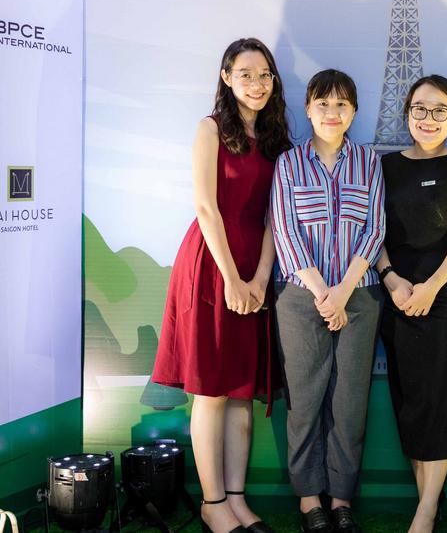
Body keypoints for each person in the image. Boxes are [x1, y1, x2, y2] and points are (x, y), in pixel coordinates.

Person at [152, 37, 292, 533]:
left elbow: (277, 217)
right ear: (227, 77)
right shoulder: (210, 129)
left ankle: (236, 499)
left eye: (264, 75)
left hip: (256, 266)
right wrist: (233, 278)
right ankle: (212, 504)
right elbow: (206, 208)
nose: (256, 84)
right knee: (211, 392)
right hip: (212, 264)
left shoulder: (278, 141)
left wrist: (259, 278)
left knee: (240, 393)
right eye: (245, 74)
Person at [270, 69, 386, 533]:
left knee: (349, 402)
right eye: (323, 103)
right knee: (304, 401)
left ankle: (340, 500)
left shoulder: (369, 163)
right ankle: (308, 500)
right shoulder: (288, 164)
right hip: (301, 298)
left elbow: (375, 228)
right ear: (308, 108)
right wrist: (324, 294)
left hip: (359, 296)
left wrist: (343, 292)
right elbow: (285, 232)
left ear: (354, 112)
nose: (331, 113)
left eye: (342, 105)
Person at [374, 75, 447, 533]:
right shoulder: (384, 166)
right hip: (396, 297)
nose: (429, 118)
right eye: (420, 108)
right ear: (407, 114)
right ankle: (428, 502)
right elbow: (373, 233)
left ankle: (425, 512)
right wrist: (392, 279)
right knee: (409, 402)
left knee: (437, 402)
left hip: (442, 301)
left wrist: (432, 287)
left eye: (441, 110)